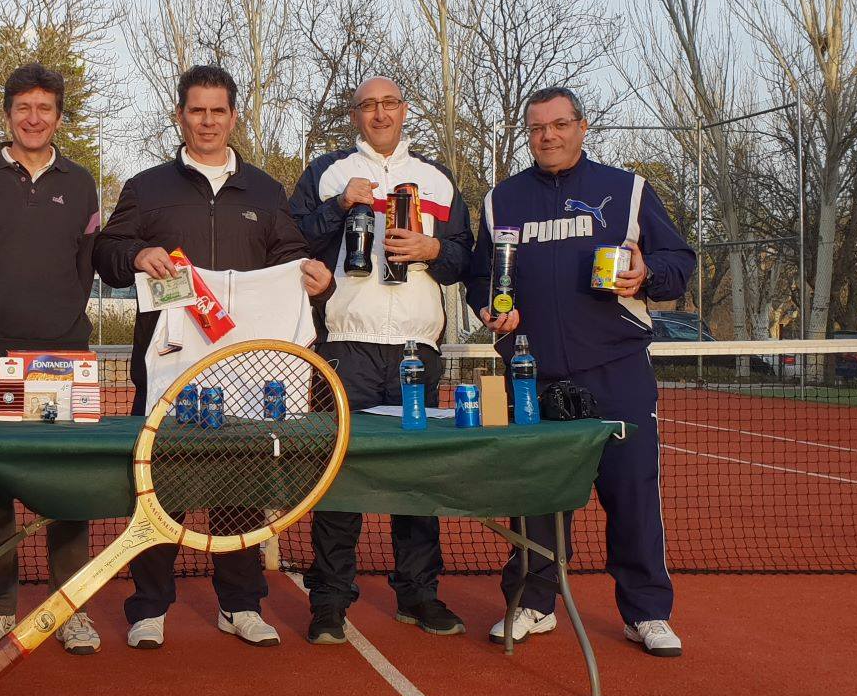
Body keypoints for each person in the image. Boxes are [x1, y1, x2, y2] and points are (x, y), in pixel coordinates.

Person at [93, 64, 333, 650]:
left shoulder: (265, 191)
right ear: (179, 116)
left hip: (246, 369)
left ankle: (241, 603)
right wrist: (137, 254)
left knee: (240, 488)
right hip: (167, 364)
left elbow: (291, 256)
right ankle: (149, 607)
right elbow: (107, 253)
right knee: (161, 487)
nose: (207, 121)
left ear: (233, 116)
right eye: (196, 111)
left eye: (217, 111)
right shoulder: (147, 187)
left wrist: (312, 276)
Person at [460, 85, 696, 658]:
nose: (548, 136)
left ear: (582, 127)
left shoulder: (628, 190)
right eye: (537, 128)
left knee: (632, 493)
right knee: (536, 497)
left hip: (617, 368)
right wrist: (490, 309)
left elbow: (678, 261)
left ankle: (647, 612)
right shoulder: (501, 200)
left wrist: (647, 274)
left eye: (560, 125)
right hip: (530, 372)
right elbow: (480, 277)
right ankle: (533, 604)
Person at [287, 76, 474, 644]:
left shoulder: (437, 178)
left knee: (416, 481)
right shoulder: (328, 173)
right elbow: (290, 239)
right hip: (347, 346)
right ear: (355, 115)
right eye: (368, 105)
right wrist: (339, 207)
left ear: (404, 110)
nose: (380, 113)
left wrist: (432, 248)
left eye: (389, 103)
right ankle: (329, 602)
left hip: (418, 348)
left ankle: (419, 595)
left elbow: (466, 256)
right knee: (338, 477)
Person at [0, 63, 103, 657]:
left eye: (45, 108)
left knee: (67, 488)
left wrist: (58, 326)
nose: (34, 119)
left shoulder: (83, 183)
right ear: (8, 114)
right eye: (23, 108)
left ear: (59, 117)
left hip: (60, 357)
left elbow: (85, 264)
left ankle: (71, 607)